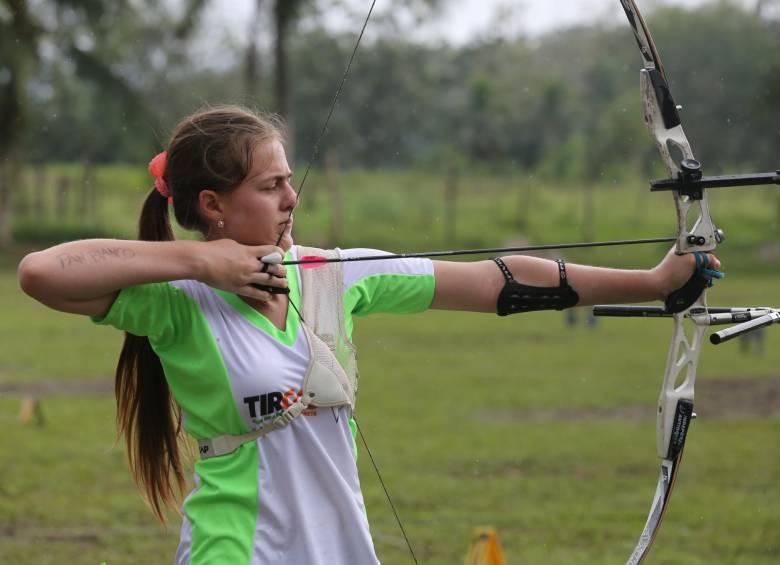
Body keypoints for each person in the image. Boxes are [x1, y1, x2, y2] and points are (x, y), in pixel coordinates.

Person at [17, 105, 720, 564]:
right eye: (271, 187)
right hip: (236, 550)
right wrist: (203, 260)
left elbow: (493, 280)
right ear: (213, 205)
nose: (292, 199)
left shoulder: (334, 274)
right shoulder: (178, 302)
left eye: (290, 181)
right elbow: (42, 271)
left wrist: (653, 282)